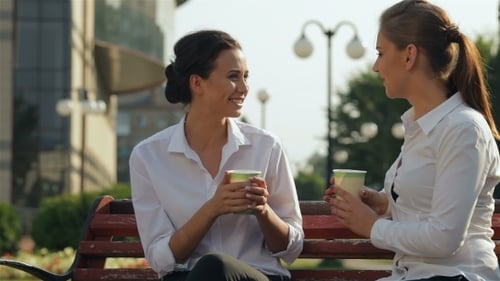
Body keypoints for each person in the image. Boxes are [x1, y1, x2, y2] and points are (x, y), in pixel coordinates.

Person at [323, 1, 500, 280]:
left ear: (409, 56)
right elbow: (428, 209)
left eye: (381, 53)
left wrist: (371, 226)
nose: (375, 66)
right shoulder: (421, 128)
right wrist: (384, 204)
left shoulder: (464, 129)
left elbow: (444, 237)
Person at [129, 29, 303, 281]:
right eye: (233, 77)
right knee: (211, 268)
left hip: (258, 276)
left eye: (246, 77)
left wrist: (263, 209)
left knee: (216, 267)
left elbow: (292, 249)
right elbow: (160, 258)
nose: (244, 88)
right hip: (186, 277)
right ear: (197, 83)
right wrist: (212, 209)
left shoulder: (266, 147)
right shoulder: (148, 156)